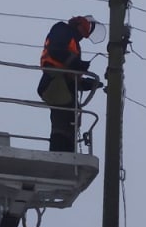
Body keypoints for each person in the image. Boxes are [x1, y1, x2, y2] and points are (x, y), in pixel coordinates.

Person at [37, 15, 104, 152]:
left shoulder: (74, 42)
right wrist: (77, 64)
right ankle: (59, 152)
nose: (85, 35)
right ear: (79, 25)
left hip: (62, 84)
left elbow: (70, 74)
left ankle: (67, 150)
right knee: (63, 117)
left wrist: (87, 84)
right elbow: (57, 50)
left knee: (69, 118)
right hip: (54, 81)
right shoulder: (62, 29)